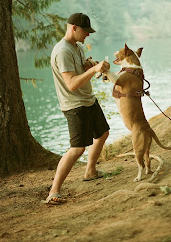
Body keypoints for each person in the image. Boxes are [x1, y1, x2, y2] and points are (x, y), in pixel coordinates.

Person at [44, 13, 110, 205]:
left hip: (88, 99)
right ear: (73, 27)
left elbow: (81, 70)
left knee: (103, 133)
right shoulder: (63, 51)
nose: (88, 35)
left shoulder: (77, 47)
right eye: (85, 31)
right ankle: (54, 191)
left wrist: (91, 65)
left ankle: (90, 171)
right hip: (75, 105)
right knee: (77, 148)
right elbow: (71, 84)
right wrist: (93, 70)